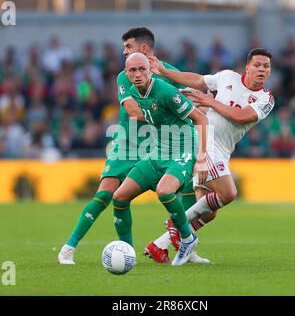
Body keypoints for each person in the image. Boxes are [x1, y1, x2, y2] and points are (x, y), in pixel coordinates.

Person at [57, 27, 199, 264]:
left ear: (144, 49)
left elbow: (191, 95)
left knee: (186, 190)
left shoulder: (168, 73)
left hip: (164, 144)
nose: (124, 52)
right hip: (129, 143)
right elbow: (132, 110)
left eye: (128, 47)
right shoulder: (126, 74)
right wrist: (163, 115)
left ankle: (187, 246)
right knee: (107, 192)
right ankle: (70, 248)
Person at [147, 48, 274, 259]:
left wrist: (210, 102)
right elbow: (198, 80)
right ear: (247, 67)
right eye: (257, 65)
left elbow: (242, 116)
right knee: (229, 193)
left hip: (224, 150)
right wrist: (164, 71)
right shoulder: (227, 77)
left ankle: (160, 244)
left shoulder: (266, 99)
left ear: (269, 71)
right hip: (207, 141)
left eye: (266, 66)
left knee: (209, 212)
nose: (261, 69)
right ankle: (177, 223)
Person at [112, 52, 208, 266]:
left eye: (142, 69)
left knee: (165, 191)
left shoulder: (165, 91)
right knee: (119, 197)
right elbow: (143, 114)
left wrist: (201, 158)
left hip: (184, 148)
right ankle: (127, 254)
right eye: (132, 70)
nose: (138, 74)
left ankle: (187, 238)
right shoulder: (131, 92)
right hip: (158, 151)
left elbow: (200, 118)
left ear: (149, 70)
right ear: (126, 73)